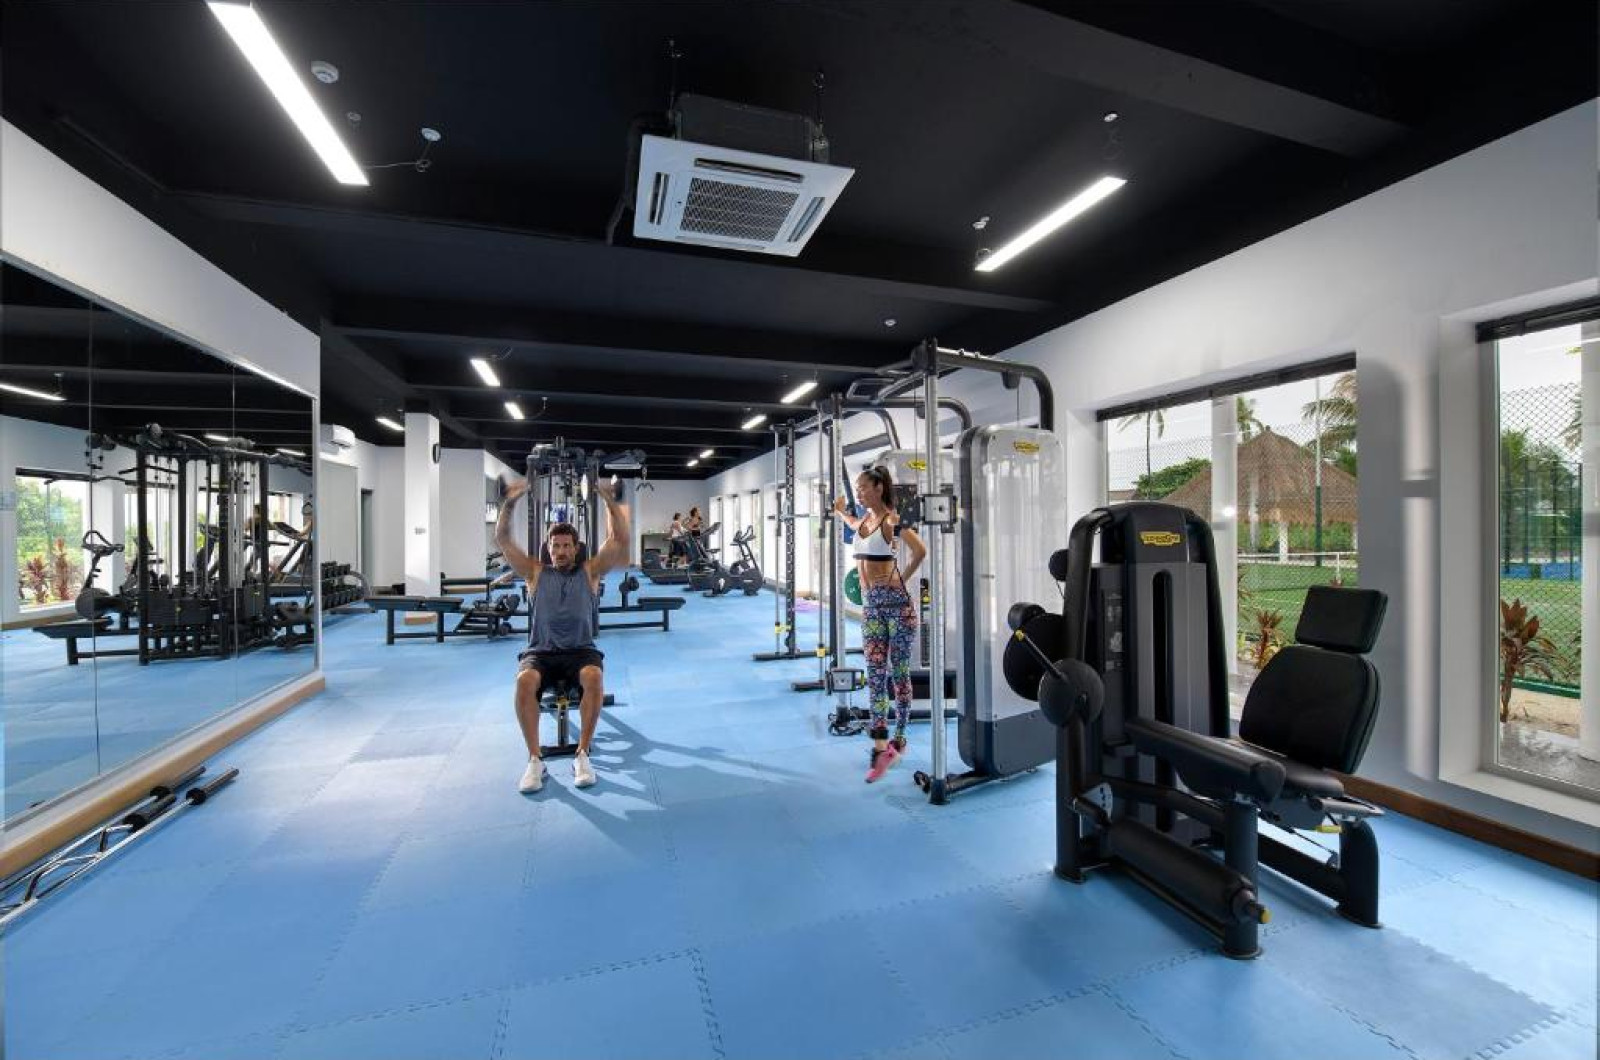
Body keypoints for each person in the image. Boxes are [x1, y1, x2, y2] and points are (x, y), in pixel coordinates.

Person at [495, 476, 630, 792]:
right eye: (555, 546)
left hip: (581, 650)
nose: (560, 551)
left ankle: (582, 755)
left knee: (594, 676)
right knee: (524, 681)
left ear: (576, 548)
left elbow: (619, 538)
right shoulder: (534, 573)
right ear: (548, 548)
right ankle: (535, 760)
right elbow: (502, 539)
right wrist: (510, 502)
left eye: (567, 546)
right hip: (541, 652)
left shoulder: (590, 572)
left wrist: (608, 499)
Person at [834, 466, 927, 783]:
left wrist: (902, 578)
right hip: (872, 607)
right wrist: (840, 512)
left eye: (863, 487)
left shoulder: (891, 521)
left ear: (878, 488)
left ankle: (899, 739)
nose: (858, 493)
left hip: (898, 607)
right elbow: (851, 524)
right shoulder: (863, 522)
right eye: (857, 488)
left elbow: (920, 550)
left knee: (898, 673)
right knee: (875, 676)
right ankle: (879, 747)